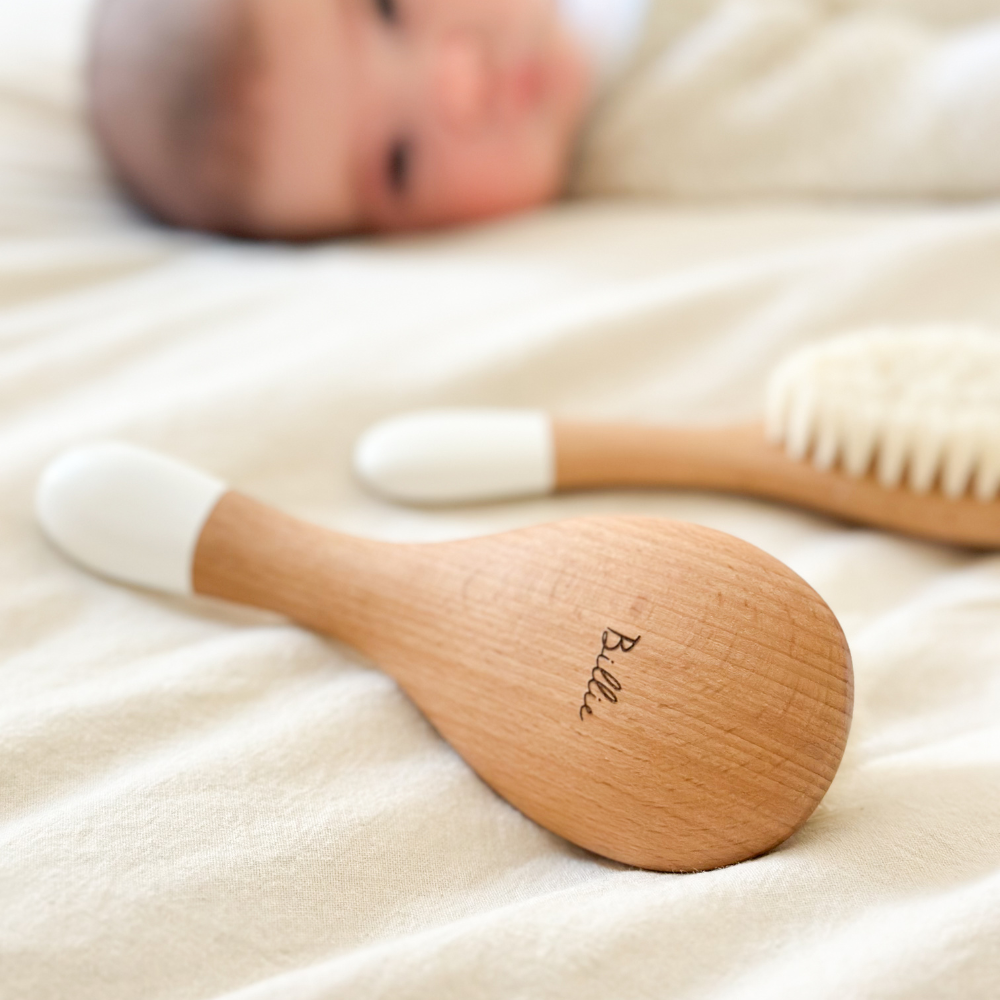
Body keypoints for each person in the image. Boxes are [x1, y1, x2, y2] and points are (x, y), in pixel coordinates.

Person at [90, 0, 1000, 240]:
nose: (457, 85)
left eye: (389, 8)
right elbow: (938, 111)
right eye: (400, 162)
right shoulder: (674, 119)